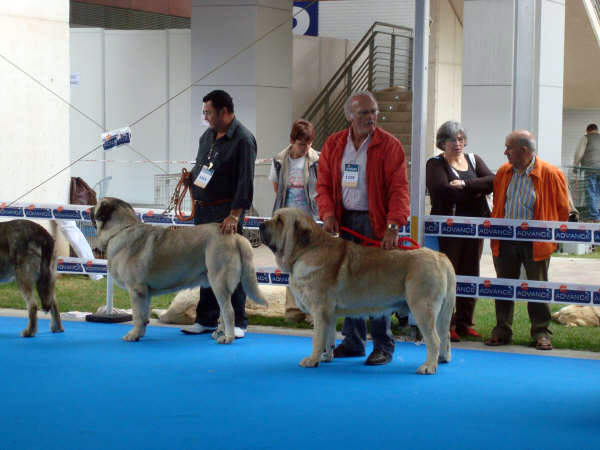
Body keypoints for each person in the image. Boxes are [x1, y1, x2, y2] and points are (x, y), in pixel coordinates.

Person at [316, 91, 409, 366]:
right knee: (347, 283)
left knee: (376, 285)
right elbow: (322, 184)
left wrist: (393, 225)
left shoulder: (390, 145)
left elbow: (399, 189)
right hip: (345, 222)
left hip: (377, 223)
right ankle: (353, 341)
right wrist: (328, 213)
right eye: (364, 113)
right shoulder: (333, 144)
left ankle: (383, 345)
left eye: (374, 111)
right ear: (349, 116)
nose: (371, 117)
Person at [180, 90, 257, 339]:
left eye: (209, 112)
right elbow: (203, 167)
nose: (206, 117)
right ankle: (206, 318)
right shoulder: (206, 137)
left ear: (224, 111)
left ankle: (238, 321)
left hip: (226, 214)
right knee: (206, 267)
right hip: (202, 213)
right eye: (204, 112)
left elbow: (245, 181)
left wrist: (234, 215)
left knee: (230, 266)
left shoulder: (243, 139)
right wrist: (189, 179)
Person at [485, 130, 569, 350]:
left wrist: (552, 237)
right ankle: (502, 330)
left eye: (508, 148)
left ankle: (541, 332)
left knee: (537, 287)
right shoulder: (504, 172)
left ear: (523, 150)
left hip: (536, 240)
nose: (505, 152)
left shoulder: (551, 173)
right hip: (504, 239)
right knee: (503, 285)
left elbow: (563, 210)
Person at [426, 121, 494, 342]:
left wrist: (465, 186)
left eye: (461, 139)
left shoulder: (474, 159)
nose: (458, 143)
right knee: (448, 276)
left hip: (475, 229)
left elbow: (493, 181)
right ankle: (448, 323)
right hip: (449, 230)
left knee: (471, 274)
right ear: (442, 143)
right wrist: (476, 190)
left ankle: (466, 322)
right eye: (452, 139)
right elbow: (443, 191)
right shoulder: (435, 164)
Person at [268, 119, 319, 323]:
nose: (305, 148)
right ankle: (293, 309)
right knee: (289, 264)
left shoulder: (317, 160)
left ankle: (312, 311)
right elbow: (276, 188)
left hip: (310, 222)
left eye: (308, 144)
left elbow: (321, 188)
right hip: (287, 224)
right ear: (292, 140)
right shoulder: (279, 160)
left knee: (312, 266)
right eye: (301, 144)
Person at [573, 123, 600, 222]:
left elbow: (579, 153)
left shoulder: (586, 137)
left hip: (590, 169)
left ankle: (595, 217)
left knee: (591, 193)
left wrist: (575, 169)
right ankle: (595, 215)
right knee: (597, 194)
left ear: (587, 130)